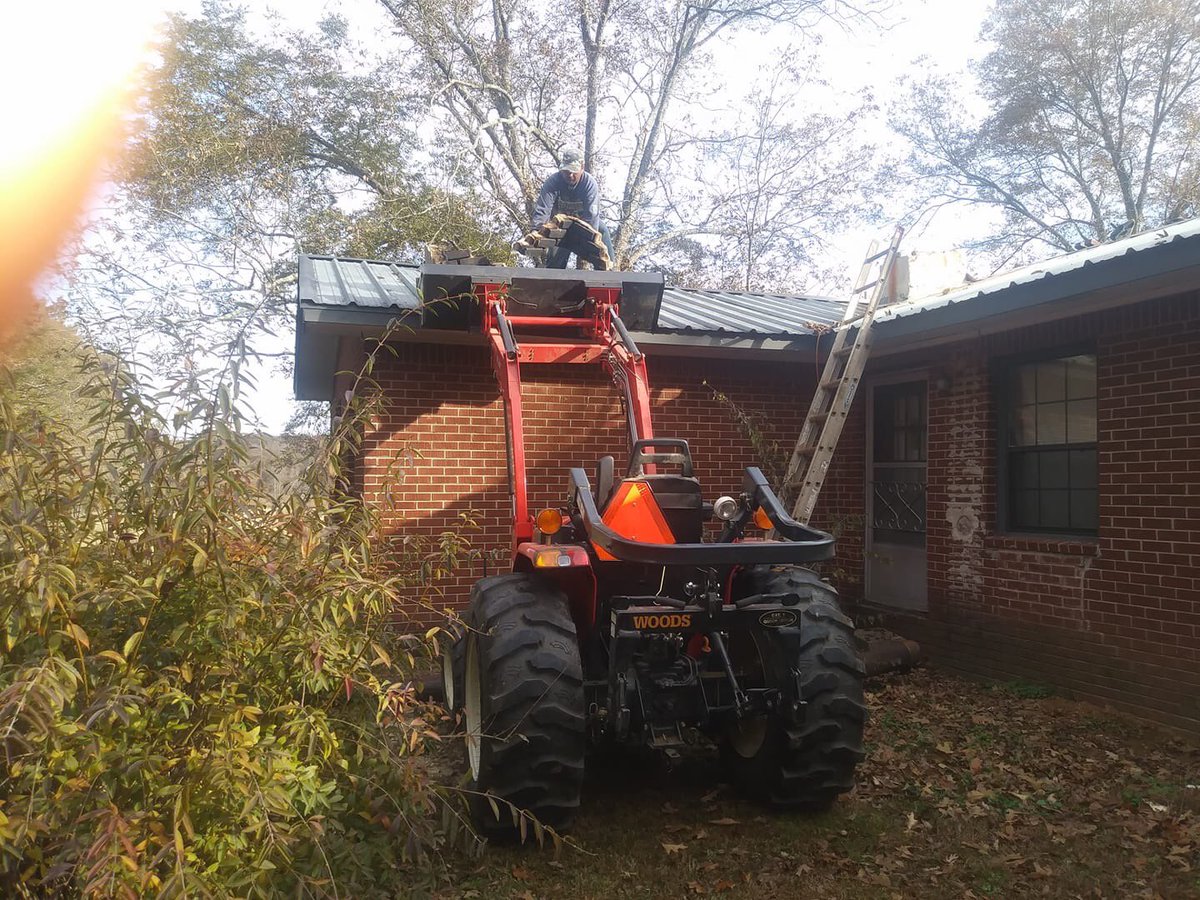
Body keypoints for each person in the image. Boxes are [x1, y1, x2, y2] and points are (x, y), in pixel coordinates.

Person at [531, 147, 616, 268]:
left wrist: (588, 244)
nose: (570, 175)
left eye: (573, 171)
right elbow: (543, 209)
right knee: (555, 258)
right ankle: (554, 279)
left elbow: (592, 217)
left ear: (582, 167)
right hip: (560, 227)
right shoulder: (552, 183)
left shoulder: (589, 184)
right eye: (566, 171)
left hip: (584, 225)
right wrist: (536, 231)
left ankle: (610, 272)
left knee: (602, 230)